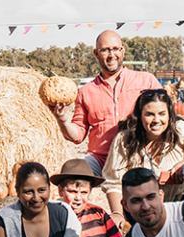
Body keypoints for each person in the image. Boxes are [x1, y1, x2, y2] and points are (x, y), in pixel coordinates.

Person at [51, 30, 161, 177]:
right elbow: (78, 136)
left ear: (123, 51)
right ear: (96, 54)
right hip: (100, 159)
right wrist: (62, 120)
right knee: (73, 174)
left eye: (116, 49)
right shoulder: (85, 91)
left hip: (139, 154)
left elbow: (165, 115)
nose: (111, 55)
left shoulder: (146, 81)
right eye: (105, 50)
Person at [101, 89, 184, 229]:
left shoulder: (180, 130)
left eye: (162, 114)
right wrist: (118, 214)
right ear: (139, 116)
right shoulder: (125, 140)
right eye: (149, 114)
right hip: (140, 216)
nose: (156, 120)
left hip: (177, 213)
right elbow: (113, 182)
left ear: (169, 115)